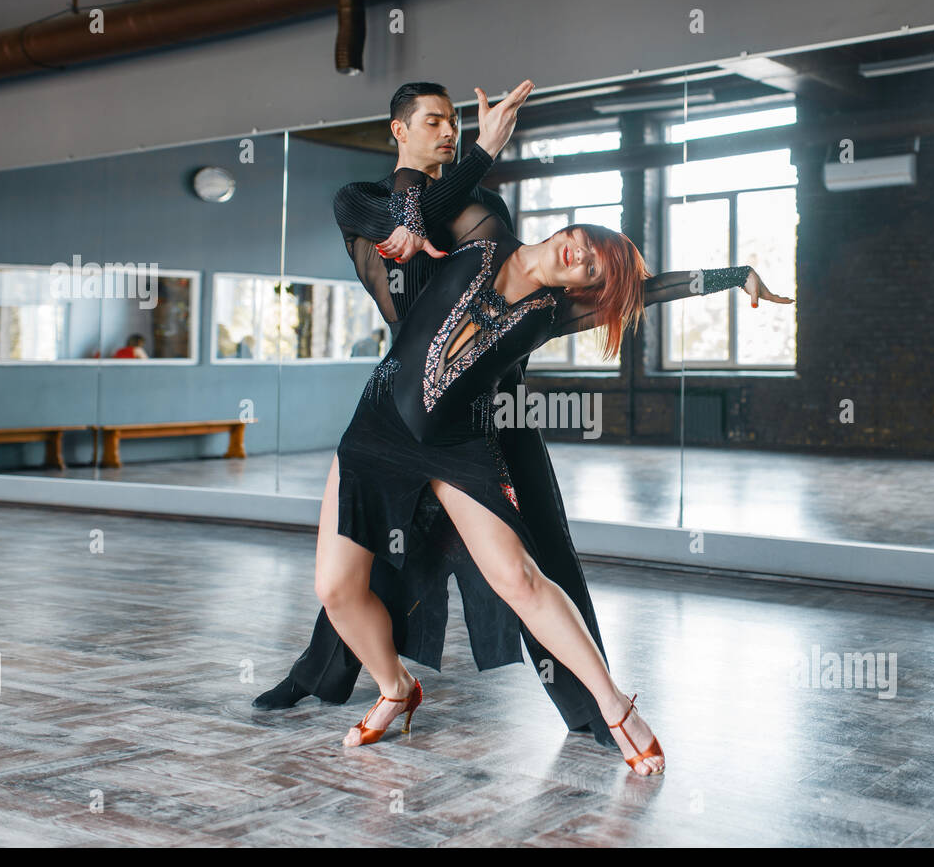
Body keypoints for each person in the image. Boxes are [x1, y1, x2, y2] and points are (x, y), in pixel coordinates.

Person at [323, 165, 792, 773]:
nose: (581, 256)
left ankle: (616, 705)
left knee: (520, 579)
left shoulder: (551, 312)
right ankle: (396, 687)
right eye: (588, 243)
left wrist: (732, 276)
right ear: (574, 229)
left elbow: (646, 291)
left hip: (456, 447)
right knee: (336, 590)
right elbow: (408, 199)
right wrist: (478, 153)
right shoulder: (480, 241)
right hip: (375, 427)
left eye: (592, 270)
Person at [255, 79, 628, 748]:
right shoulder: (361, 201)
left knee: (539, 566)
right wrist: (481, 149)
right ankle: (327, 673)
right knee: (363, 561)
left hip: (487, 413)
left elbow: (522, 302)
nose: (450, 131)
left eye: (455, 124)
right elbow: (409, 219)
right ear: (398, 130)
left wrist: (476, 159)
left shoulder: (482, 206)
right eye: (434, 121)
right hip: (402, 409)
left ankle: (596, 711)